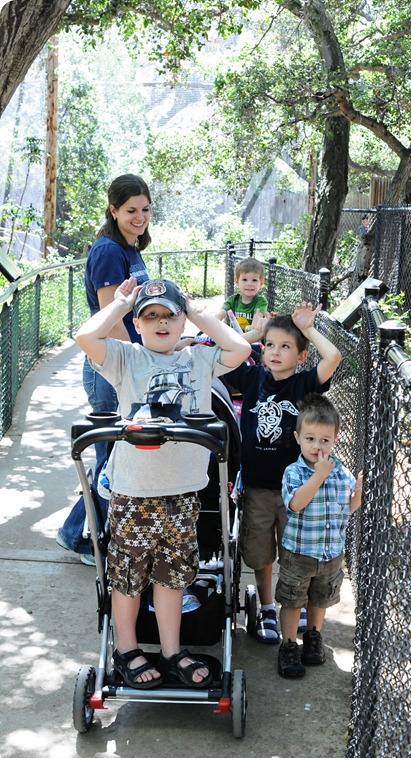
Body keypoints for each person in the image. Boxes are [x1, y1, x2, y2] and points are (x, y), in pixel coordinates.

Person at [75, 276, 251, 688]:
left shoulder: (199, 360)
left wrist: (199, 314)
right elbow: (86, 337)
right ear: (138, 324)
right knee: (128, 576)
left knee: (173, 577)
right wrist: (121, 305)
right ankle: (126, 649)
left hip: (183, 492)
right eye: (150, 316)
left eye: (170, 315)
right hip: (134, 493)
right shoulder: (126, 358)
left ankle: (172, 651)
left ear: (182, 319)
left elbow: (240, 349)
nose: (161, 322)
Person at [221, 304, 342, 644]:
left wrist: (308, 329)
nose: (275, 352)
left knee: (294, 551)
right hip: (257, 488)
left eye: (285, 346)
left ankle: (294, 603)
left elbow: (333, 357)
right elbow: (219, 353)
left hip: (296, 490)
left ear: (301, 356)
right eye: (270, 345)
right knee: (260, 554)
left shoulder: (304, 384)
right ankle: (267, 607)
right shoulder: (251, 378)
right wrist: (254, 335)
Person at [56, 174, 152, 564]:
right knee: (111, 458)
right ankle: (82, 536)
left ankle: (80, 531)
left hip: (121, 362)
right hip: (110, 367)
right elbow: (112, 319)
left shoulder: (129, 246)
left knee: (113, 456)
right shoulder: (109, 251)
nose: (140, 217)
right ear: (113, 210)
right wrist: (139, 363)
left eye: (145, 209)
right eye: (131, 210)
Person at [275, 393, 363, 677]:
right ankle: (289, 645)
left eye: (325, 440)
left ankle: (313, 636)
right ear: (298, 438)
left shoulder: (342, 473)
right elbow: (296, 504)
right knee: (292, 601)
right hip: (299, 553)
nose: (317, 446)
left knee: (319, 599)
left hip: (331, 554)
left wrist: (359, 492)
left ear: (335, 439)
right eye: (310, 438)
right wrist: (319, 475)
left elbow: (348, 508)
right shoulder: (294, 472)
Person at [216, 257, 268, 333]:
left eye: (254, 280)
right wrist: (213, 321)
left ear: (261, 282)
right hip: (234, 337)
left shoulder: (261, 301)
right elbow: (220, 313)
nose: (249, 284)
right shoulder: (232, 300)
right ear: (237, 281)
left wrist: (252, 327)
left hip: (252, 338)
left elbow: (258, 316)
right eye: (244, 280)